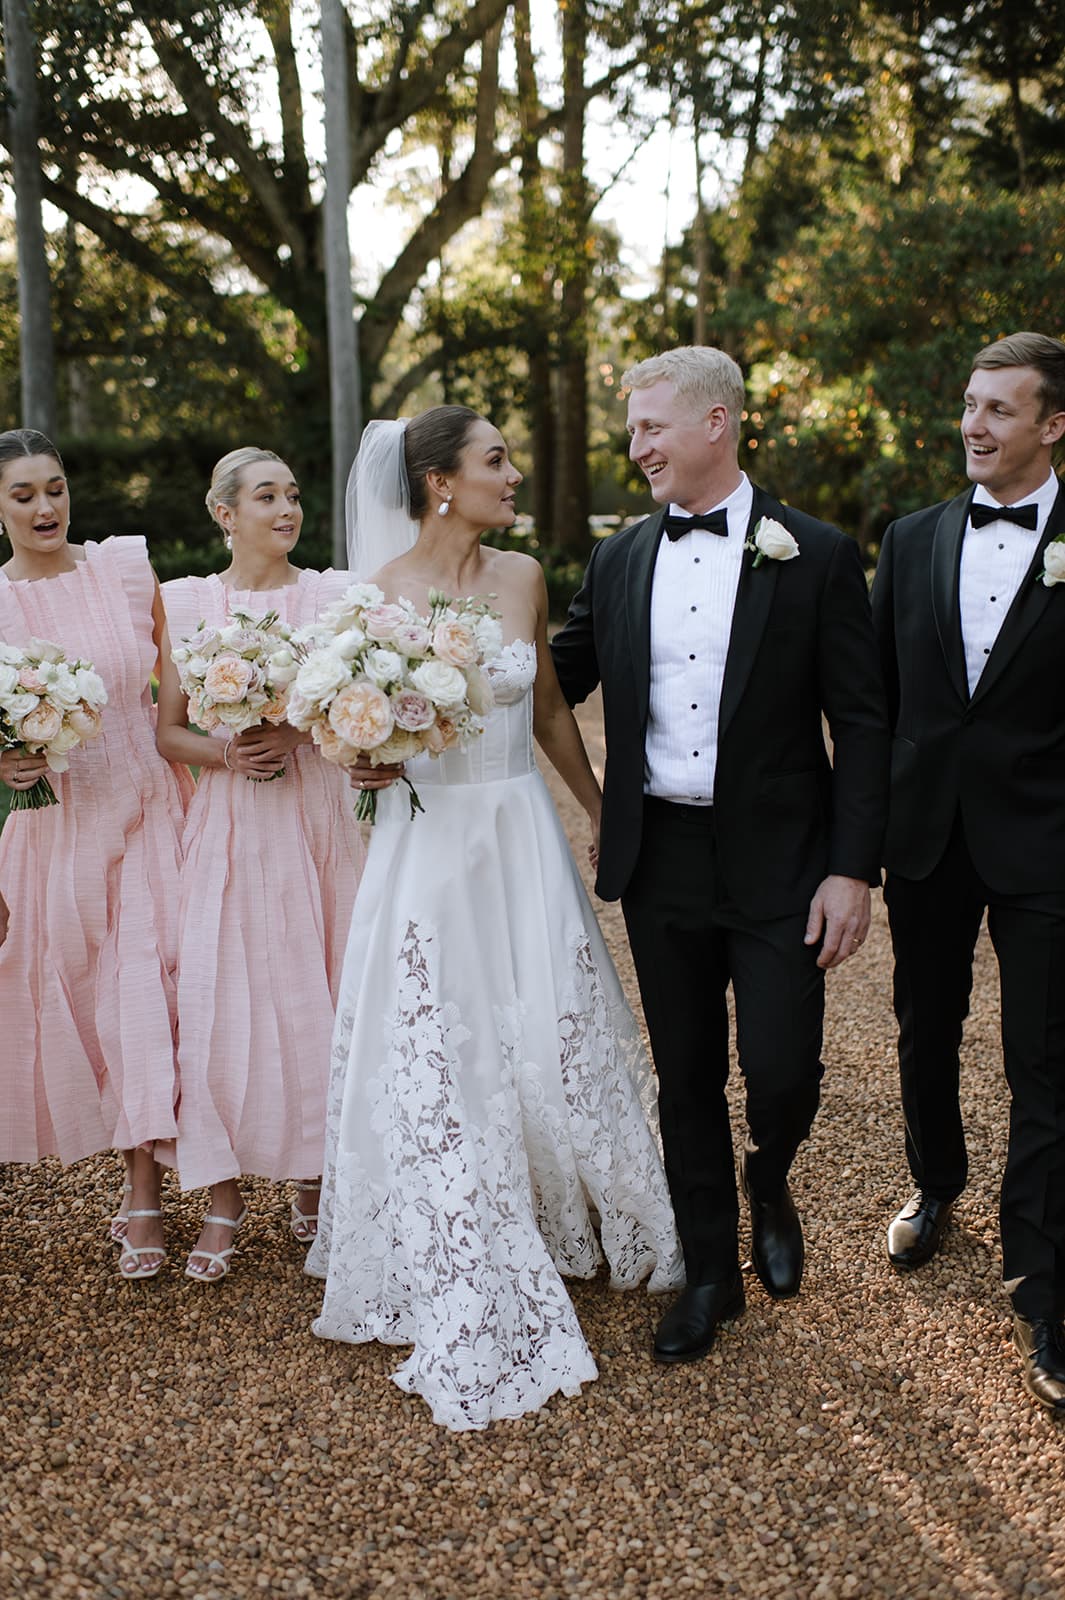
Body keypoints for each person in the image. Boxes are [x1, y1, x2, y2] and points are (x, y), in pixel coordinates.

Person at [306, 406, 682, 1431]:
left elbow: (551, 705)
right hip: (430, 844)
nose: (513, 475)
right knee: (444, 1032)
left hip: (519, 830)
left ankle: (575, 1209)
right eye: (496, 461)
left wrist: (600, 809)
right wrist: (363, 756)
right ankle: (464, 1223)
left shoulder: (520, 578)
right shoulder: (375, 598)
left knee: (550, 1013)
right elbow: (344, 731)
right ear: (439, 482)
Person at [551, 346, 889, 1364]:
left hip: (786, 859)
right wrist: (417, 679)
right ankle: (709, 1274)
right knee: (686, 1074)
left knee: (782, 1068)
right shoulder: (615, 560)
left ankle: (770, 1173)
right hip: (664, 857)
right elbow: (545, 677)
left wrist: (852, 867)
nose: (635, 445)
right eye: (632, 429)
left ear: (716, 424)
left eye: (652, 426)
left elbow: (864, 724)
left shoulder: (817, 554)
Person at [872, 331, 1065, 1413]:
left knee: (1044, 1055)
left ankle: (1044, 1279)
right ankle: (936, 1182)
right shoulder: (908, 539)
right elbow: (882, 703)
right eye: (970, 404)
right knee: (923, 1021)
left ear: (1053, 424)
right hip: (932, 835)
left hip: (1048, 839)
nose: (974, 425)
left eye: (1000, 409)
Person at [154, 447, 364, 1281]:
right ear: (224, 513)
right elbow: (166, 731)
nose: (286, 509)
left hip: (317, 820)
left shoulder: (333, 596)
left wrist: (301, 732)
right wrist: (225, 751)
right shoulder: (188, 602)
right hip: (234, 820)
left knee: (324, 987)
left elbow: (356, 714)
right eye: (266, 496)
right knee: (223, 1002)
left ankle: (316, 1183)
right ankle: (222, 1197)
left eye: (293, 494)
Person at [0, 428, 193, 1279]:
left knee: (146, 991)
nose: (46, 507)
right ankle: (138, 1170)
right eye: (23, 494)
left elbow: (174, 693)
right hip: (56, 827)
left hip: (152, 803)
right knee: (89, 1003)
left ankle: (146, 1188)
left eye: (55, 488)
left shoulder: (122, 569)